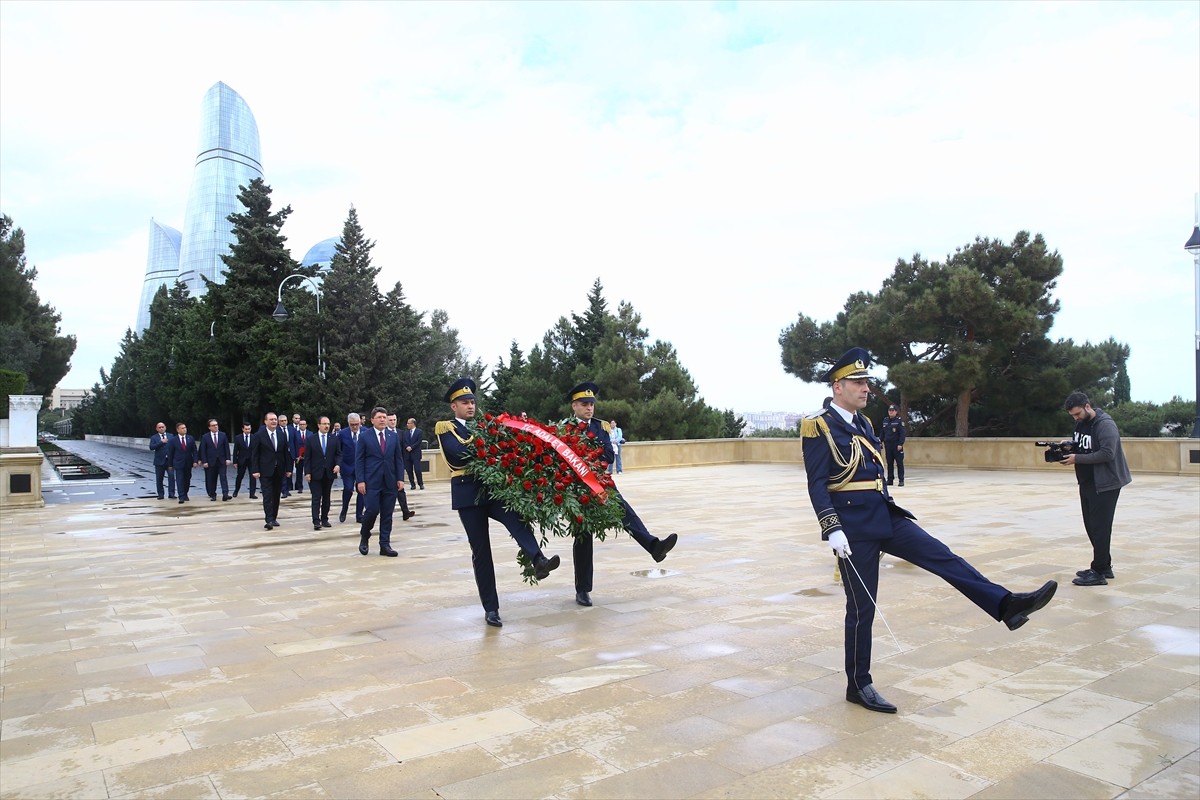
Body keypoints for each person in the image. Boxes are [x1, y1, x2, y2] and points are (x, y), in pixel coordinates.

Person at [802, 347, 1057, 714]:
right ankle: (859, 685)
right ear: (837, 386)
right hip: (853, 529)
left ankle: (1005, 604)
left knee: (943, 557)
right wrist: (832, 528)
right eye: (858, 382)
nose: (866, 389)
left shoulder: (865, 424)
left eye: (867, 382)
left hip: (885, 517)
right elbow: (816, 484)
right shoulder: (820, 426)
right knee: (862, 610)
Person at [436, 378, 561, 627]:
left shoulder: (483, 426)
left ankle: (538, 560)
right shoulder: (445, 427)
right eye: (464, 402)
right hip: (467, 494)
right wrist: (491, 447)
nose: (470, 406)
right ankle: (491, 608)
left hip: (491, 490)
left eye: (472, 402)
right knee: (482, 552)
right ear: (454, 406)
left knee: (516, 519)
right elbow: (459, 455)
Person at [565, 383, 677, 607]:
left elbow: (608, 454)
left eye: (592, 404)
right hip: (577, 489)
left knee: (625, 513)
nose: (589, 408)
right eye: (585, 404)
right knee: (583, 536)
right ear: (574, 406)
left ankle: (654, 546)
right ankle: (583, 590)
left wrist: (587, 453)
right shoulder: (564, 429)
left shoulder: (601, 427)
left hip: (601, 483)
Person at [1058, 391, 1131, 586]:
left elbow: (1107, 453)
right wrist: (1069, 448)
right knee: (1091, 526)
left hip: (1106, 484)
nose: (1075, 418)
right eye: (1072, 415)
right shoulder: (1081, 423)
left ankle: (1098, 572)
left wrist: (1077, 458)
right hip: (1088, 482)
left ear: (1087, 406)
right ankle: (1104, 566)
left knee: (1100, 528)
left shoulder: (1106, 425)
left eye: (1077, 414)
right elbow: (1084, 447)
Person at [355, 406, 413, 557]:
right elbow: (359, 460)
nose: (382, 420)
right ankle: (365, 535)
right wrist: (360, 480)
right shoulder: (364, 436)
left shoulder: (393, 436)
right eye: (379, 417)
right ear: (372, 419)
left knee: (387, 514)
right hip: (371, 482)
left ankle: (384, 545)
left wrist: (400, 478)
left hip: (390, 481)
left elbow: (398, 459)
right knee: (372, 510)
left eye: (384, 417)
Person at [250, 411, 291, 529]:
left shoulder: (281, 434)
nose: (274, 421)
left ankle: (274, 517)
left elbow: (285, 453)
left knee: (276, 495)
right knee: (267, 495)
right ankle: (268, 519)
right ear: (265, 421)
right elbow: (255, 454)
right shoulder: (259, 435)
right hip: (265, 470)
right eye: (271, 419)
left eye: (275, 419)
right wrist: (255, 470)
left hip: (279, 470)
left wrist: (288, 468)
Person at [304, 416, 341, 531]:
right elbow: (307, 458)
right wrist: (307, 472)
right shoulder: (311, 439)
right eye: (324, 424)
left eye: (328, 424)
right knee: (316, 497)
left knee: (326, 497)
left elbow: (338, 454)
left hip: (329, 472)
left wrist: (338, 465)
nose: (326, 426)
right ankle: (316, 521)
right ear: (318, 425)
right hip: (315, 473)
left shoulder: (333, 439)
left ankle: (324, 519)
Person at [336, 412, 365, 524]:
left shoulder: (365, 432)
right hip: (347, 467)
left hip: (361, 468)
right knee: (348, 489)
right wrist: (339, 464)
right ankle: (344, 509)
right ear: (348, 423)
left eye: (356, 424)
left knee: (361, 491)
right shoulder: (342, 434)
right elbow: (338, 451)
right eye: (352, 424)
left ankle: (359, 515)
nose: (354, 427)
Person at [198, 418, 232, 501]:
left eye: (216, 425)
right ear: (209, 427)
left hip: (221, 460)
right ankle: (213, 494)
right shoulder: (205, 437)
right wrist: (204, 461)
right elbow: (203, 450)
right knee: (211, 478)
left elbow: (226, 448)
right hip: (210, 461)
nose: (215, 427)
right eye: (213, 425)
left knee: (223, 477)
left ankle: (225, 494)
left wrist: (228, 458)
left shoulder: (223, 435)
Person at [166, 422, 198, 503]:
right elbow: (170, 453)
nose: (184, 429)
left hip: (188, 462)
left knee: (187, 479)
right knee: (179, 479)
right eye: (182, 428)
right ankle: (181, 496)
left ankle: (185, 493)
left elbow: (194, 450)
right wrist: (170, 465)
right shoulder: (173, 440)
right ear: (178, 430)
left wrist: (195, 461)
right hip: (178, 463)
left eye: (185, 428)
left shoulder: (190, 438)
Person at [148, 422, 176, 500]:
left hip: (170, 461)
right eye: (159, 427)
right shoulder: (154, 437)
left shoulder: (171, 436)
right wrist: (161, 442)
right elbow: (151, 447)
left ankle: (171, 493)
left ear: (165, 427)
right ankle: (160, 494)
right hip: (159, 461)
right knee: (159, 479)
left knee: (171, 477)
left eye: (162, 427)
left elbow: (174, 446)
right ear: (157, 429)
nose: (161, 428)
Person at [880, 404, 906, 486]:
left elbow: (902, 434)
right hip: (888, 445)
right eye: (889, 411)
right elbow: (882, 433)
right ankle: (890, 479)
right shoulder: (885, 420)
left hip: (897, 445)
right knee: (889, 463)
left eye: (892, 411)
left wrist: (900, 444)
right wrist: (880, 441)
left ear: (896, 412)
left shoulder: (899, 421)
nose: (891, 412)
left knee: (899, 463)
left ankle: (901, 480)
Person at [231, 422, 257, 499]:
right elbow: (235, 450)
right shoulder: (238, 438)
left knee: (253, 477)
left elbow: (256, 449)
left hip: (252, 460)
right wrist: (235, 461)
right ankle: (236, 491)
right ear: (243, 429)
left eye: (249, 429)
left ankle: (252, 493)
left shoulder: (254, 437)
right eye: (246, 429)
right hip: (242, 460)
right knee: (240, 476)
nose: (247, 430)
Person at [402, 417, 425, 490]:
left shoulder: (419, 432)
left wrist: (411, 447)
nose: (407, 425)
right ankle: (412, 484)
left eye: (409, 423)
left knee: (417, 470)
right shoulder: (405, 432)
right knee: (409, 470)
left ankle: (420, 483)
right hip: (407, 454)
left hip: (415, 454)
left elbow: (418, 442)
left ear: (413, 424)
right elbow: (403, 442)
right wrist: (407, 447)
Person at [278, 411, 295, 498]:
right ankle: (283, 490)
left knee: (289, 472)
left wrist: (296, 454)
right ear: (279, 422)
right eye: (282, 421)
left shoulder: (292, 430)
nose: (284, 422)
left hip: (290, 454)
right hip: (281, 455)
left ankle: (288, 489)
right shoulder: (277, 430)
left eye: (285, 420)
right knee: (282, 472)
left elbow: (295, 442)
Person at [293, 418, 308, 494]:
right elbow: (294, 445)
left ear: (306, 425)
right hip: (298, 457)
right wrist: (296, 456)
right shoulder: (295, 434)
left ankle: (311, 487)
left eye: (303, 424)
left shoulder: (310, 434)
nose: (302, 425)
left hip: (308, 457)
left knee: (308, 471)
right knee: (299, 473)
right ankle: (299, 487)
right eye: (300, 424)